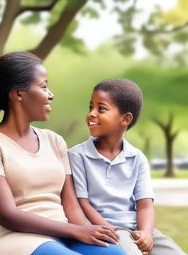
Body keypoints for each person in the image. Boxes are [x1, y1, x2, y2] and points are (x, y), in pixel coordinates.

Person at [0, 52, 127, 255]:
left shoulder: (54, 140)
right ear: (18, 94)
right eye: (43, 87)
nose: (51, 94)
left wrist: (88, 231)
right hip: (16, 239)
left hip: (64, 236)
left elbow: (71, 207)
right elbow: (7, 215)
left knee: (115, 253)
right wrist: (75, 231)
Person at [68, 78, 187, 255]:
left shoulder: (137, 158)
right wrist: (112, 231)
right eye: (90, 107)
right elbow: (83, 204)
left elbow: (145, 205)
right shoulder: (77, 155)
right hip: (105, 228)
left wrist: (146, 233)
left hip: (136, 228)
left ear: (125, 119)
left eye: (101, 109)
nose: (91, 113)